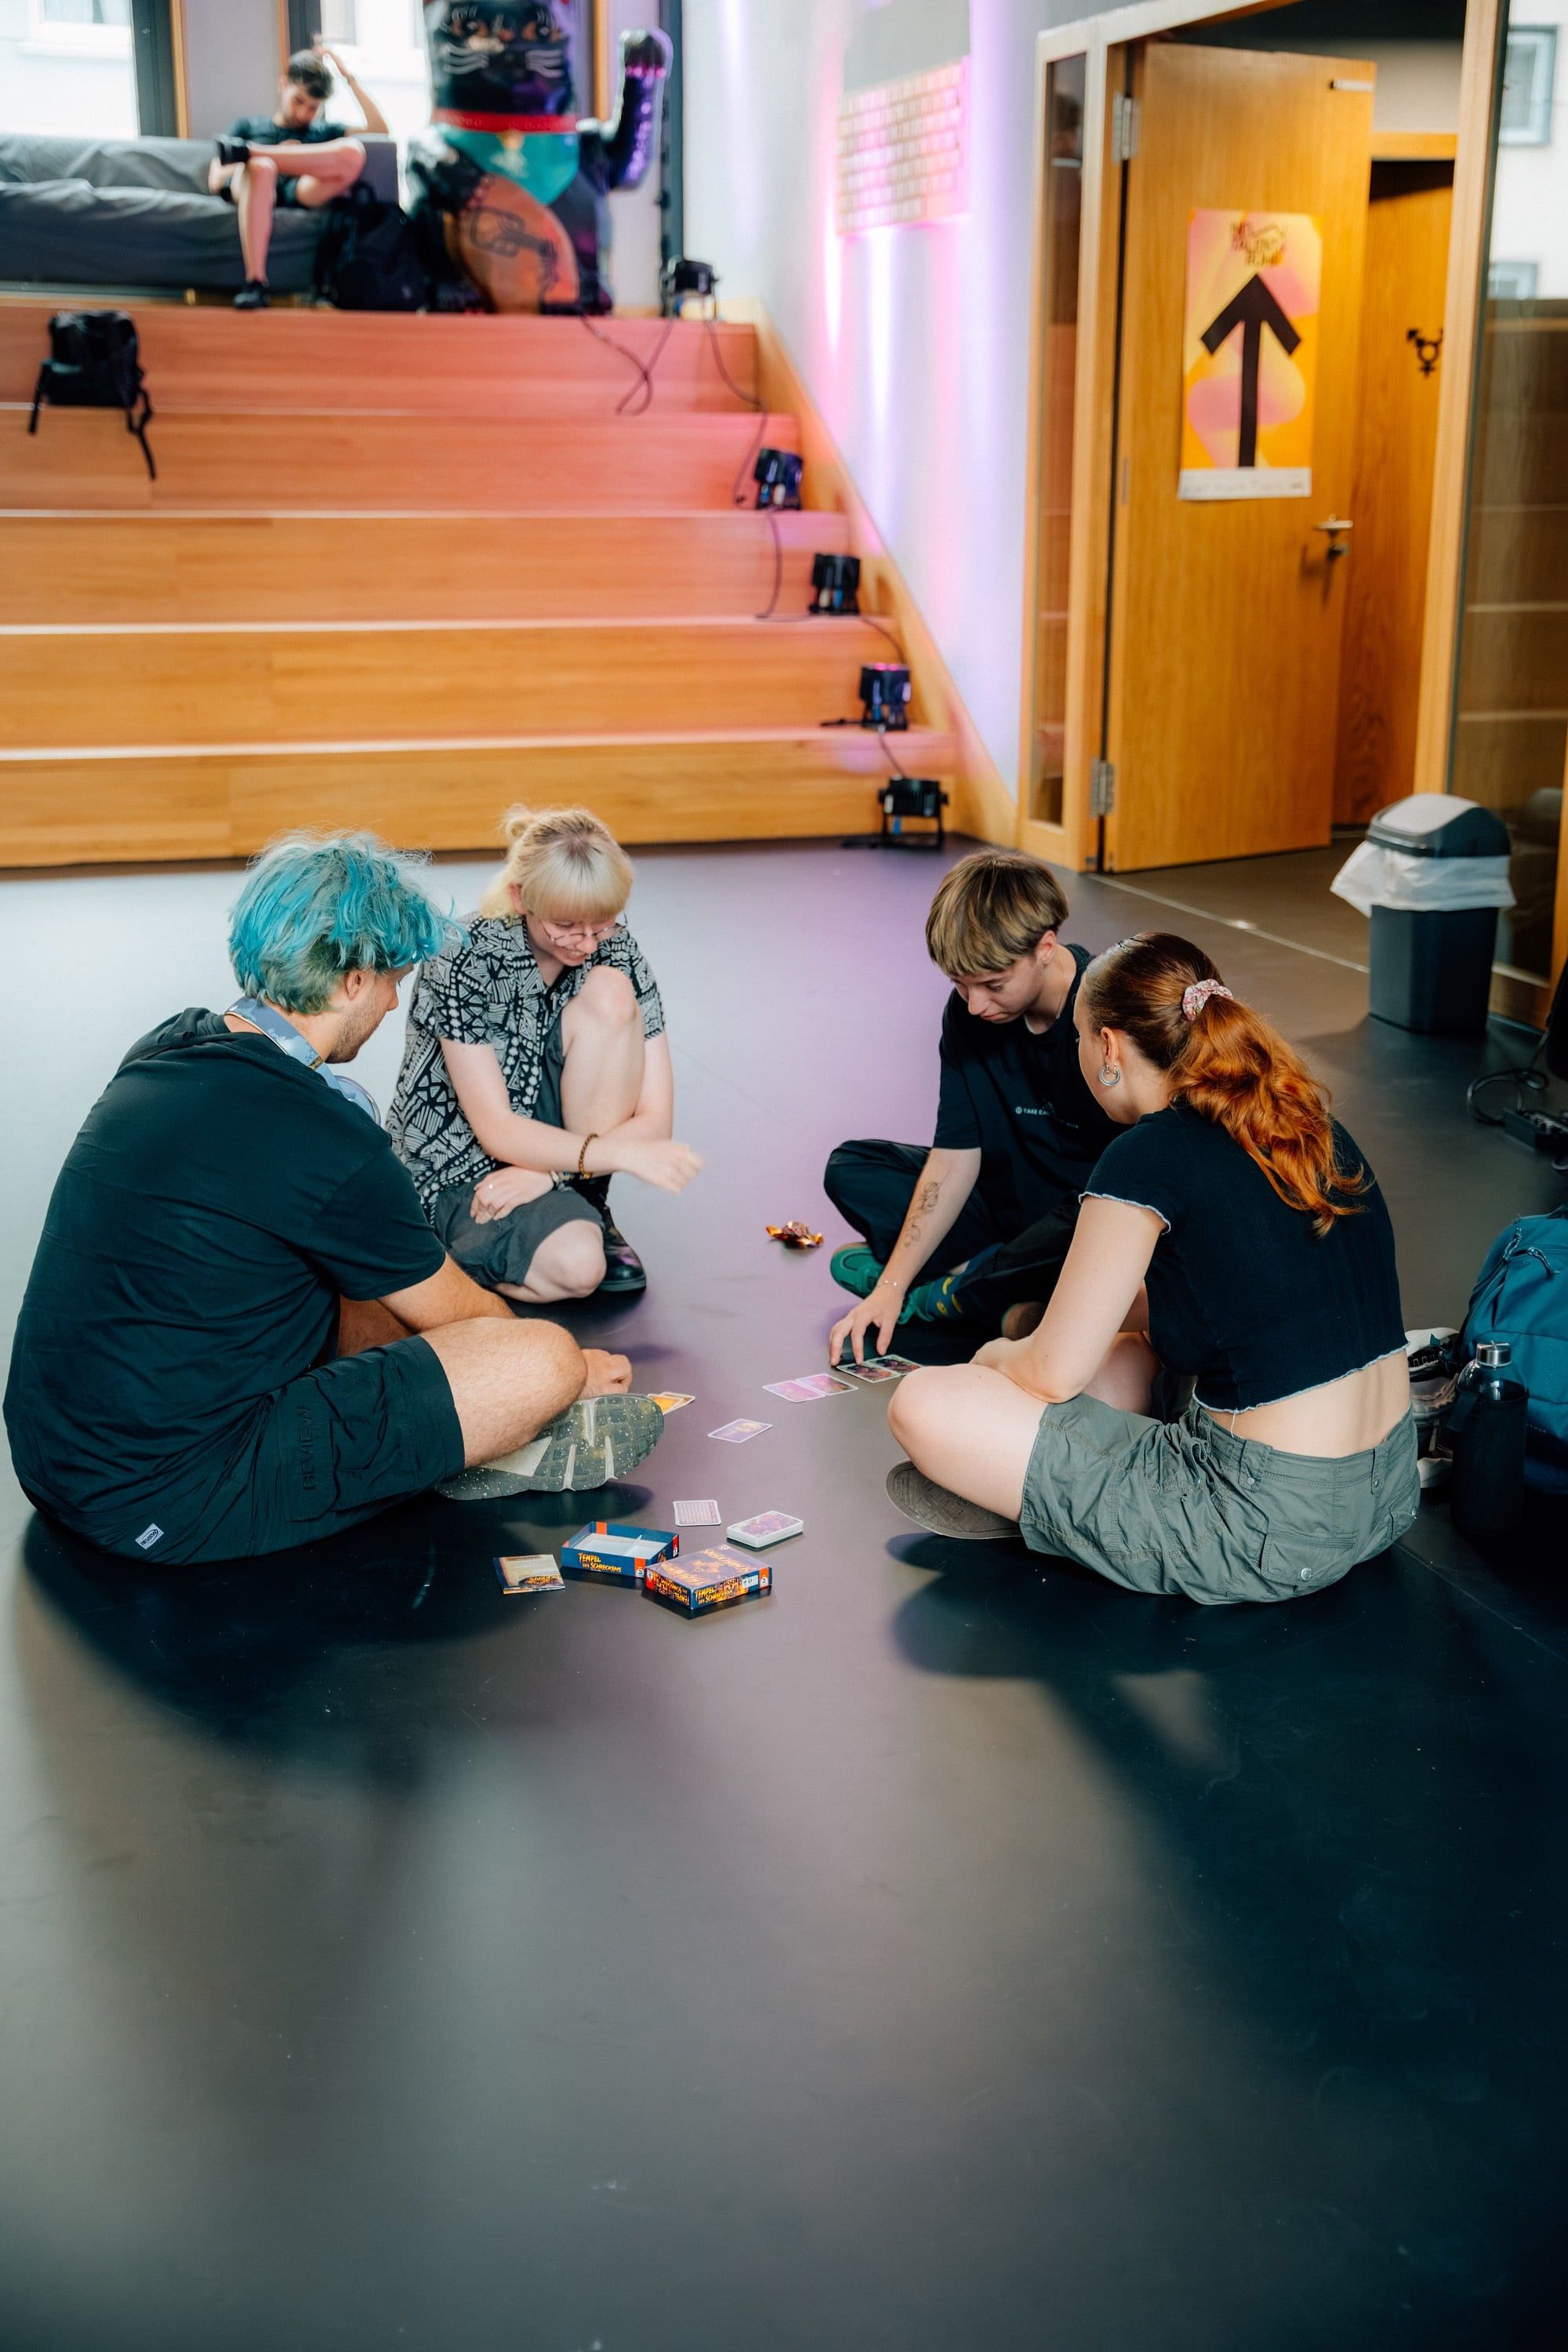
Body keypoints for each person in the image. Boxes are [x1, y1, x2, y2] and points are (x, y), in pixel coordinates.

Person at [2, 833, 662, 1567]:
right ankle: (470, 1449)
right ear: (351, 981)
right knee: (536, 1357)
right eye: (390, 981)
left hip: (50, 1460)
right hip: (170, 1501)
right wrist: (568, 1379)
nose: (390, 1003)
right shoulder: (324, 1133)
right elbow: (471, 1322)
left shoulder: (171, 1046)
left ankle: (445, 1437)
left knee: (349, 1275)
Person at [884, 934, 1420, 1606]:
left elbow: (1050, 1374)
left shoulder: (1145, 1154)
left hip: (1263, 1526)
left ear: (1109, 1048)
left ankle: (1036, 1493)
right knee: (1123, 1350)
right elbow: (1227, 1294)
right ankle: (1044, 1477)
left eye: (1079, 1038)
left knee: (923, 1401)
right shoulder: (1302, 1117)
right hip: (1389, 1492)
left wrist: (995, 1359)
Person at [389, 804, 700, 1305]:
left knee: (612, 993)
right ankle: (447, 1245)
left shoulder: (615, 950)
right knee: (581, 1269)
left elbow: (655, 1120)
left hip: (559, 1163)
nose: (586, 942)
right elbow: (496, 1130)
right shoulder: (464, 954)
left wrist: (551, 1174)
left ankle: (579, 1204)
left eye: (602, 923)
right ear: (519, 897)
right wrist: (619, 1155)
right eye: (566, 925)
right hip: (462, 1163)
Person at [826, 850, 1121, 1363]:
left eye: (993, 985)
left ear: (1045, 948)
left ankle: (966, 1292)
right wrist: (892, 1286)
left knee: (1085, 1217)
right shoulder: (967, 1015)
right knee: (851, 1166)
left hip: (1073, 1228)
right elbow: (954, 1158)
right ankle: (997, 1304)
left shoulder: (1106, 1011)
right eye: (959, 985)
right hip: (998, 1210)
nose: (975, 1006)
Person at [209, 45, 387, 310]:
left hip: (301, 190)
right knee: (262, 168)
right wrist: (273, 159)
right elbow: (216, 179)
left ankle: (254, 154)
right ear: (283, 85)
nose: (304, 113)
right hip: (254, 185)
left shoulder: (323, 131)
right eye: (299, 101)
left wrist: (347, 76)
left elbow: (380, 130)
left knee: (353, 152)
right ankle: (255, 282)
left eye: (314, 107)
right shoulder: (248, 126)